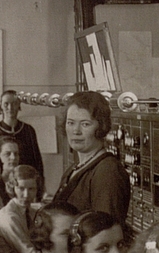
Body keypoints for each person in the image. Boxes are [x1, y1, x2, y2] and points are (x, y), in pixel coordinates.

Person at [50, 91, 129, 223]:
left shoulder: (108, 171)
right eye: (70, 123)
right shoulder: (74, 168)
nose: (76, 131)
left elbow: (106, 229)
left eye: (85, 124)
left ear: (102, 127)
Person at [0, 163, 42, 253]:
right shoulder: (9, 217)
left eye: (31, 189)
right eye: (21, 188)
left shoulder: (31, 211)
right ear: (12, 188)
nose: (26, 195)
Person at [0, 89, 43, 176]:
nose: (10, 108)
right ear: (1, 106)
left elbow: (37, 161)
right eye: (6, 104)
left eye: (14, 103)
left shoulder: (28, 130)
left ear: (19, 105)